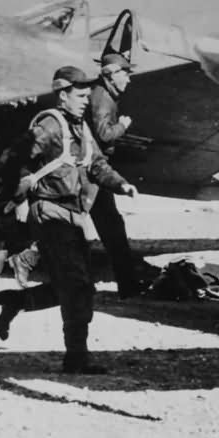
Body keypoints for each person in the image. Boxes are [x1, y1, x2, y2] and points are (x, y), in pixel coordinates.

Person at [0, 65, 137, 374]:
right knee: (77, 284)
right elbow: (12, 159)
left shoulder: (80, 128)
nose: (86, 101)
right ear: (63, 95)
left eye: (87, 96)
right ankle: (76, 359)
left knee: (75, 285)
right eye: (81, 96)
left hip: (73, 214)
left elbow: (97, 164)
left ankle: (17, 302)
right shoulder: (50, 126)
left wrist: (121, 184)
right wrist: (20, 196)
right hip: (49, 212)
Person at [87, 52, 142, 298]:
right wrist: (123, 126)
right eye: (125, 74)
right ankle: (127, 286)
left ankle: (127, 285)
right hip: (94, 170)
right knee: (111, 227)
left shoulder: (101, 94)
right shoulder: (103, 99)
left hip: (92, 168)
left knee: (108, 226)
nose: (128, 80)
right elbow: (104, 134)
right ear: (112, 75)